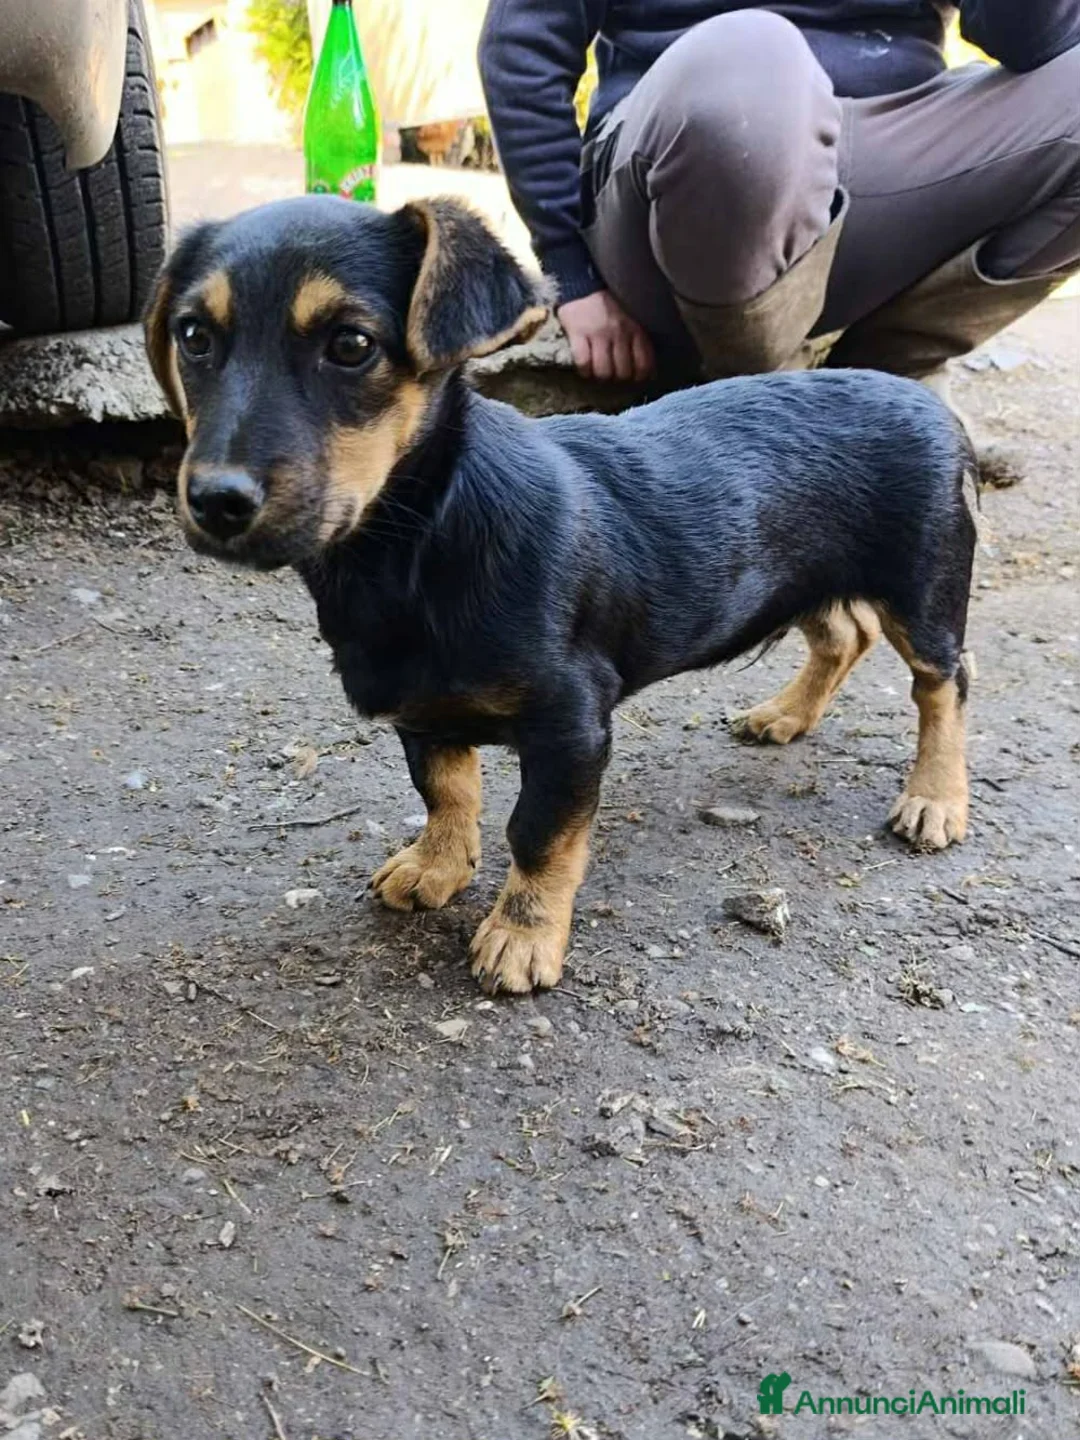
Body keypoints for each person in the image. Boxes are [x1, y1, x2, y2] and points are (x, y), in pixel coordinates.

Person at [478, 2, 1080, 479]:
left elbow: (1038, 38)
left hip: (885, 153)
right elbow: (521, 46)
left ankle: (886, 380)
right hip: (681, 171)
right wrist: (570, 269)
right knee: (753, 59)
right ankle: (755, 407)